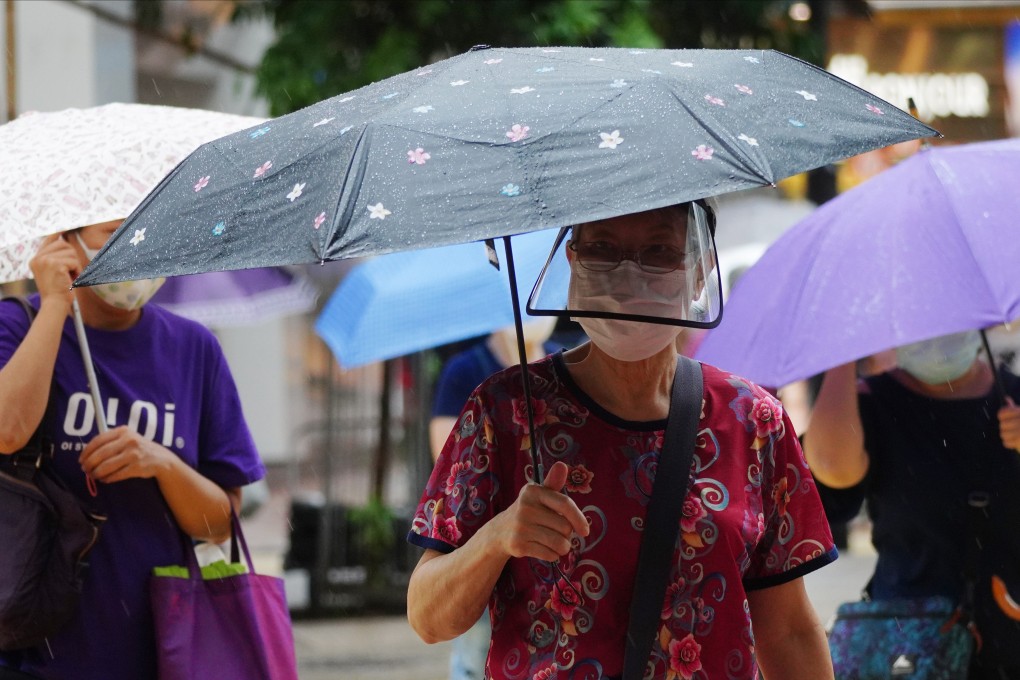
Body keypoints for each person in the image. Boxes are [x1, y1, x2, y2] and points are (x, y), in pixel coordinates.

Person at [406, 204, 837, 680]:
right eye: (602, 248)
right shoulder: (503, 412)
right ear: (572, 261)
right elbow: (428, 618)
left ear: (700, 272)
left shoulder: (752, 422)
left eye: (659, 250)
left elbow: (787, 631)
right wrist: (497, 537)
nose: (629, 274)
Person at [0, 222, 266, 679]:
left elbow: (218, 525)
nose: (134, 244)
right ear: (65, 242)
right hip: (28, 646)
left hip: (161, 646)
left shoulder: (194, 347)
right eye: (112, 232)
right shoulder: (16, 324)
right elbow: (7, 432)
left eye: (147, 227)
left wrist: (162, 464)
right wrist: (56, 304)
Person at [803, 331, 1020, 679]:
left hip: (1009, 641)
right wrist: (843, 354)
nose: (938, 335)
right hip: (910, 648)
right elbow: (833, 471)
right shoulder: (875, 401)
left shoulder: (1013, 398)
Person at [430, 320, 558, 680]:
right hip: (483, 544)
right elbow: (447, 464)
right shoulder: (466, 371)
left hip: (548, 550)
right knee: (476, 658)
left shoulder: (564, 368)